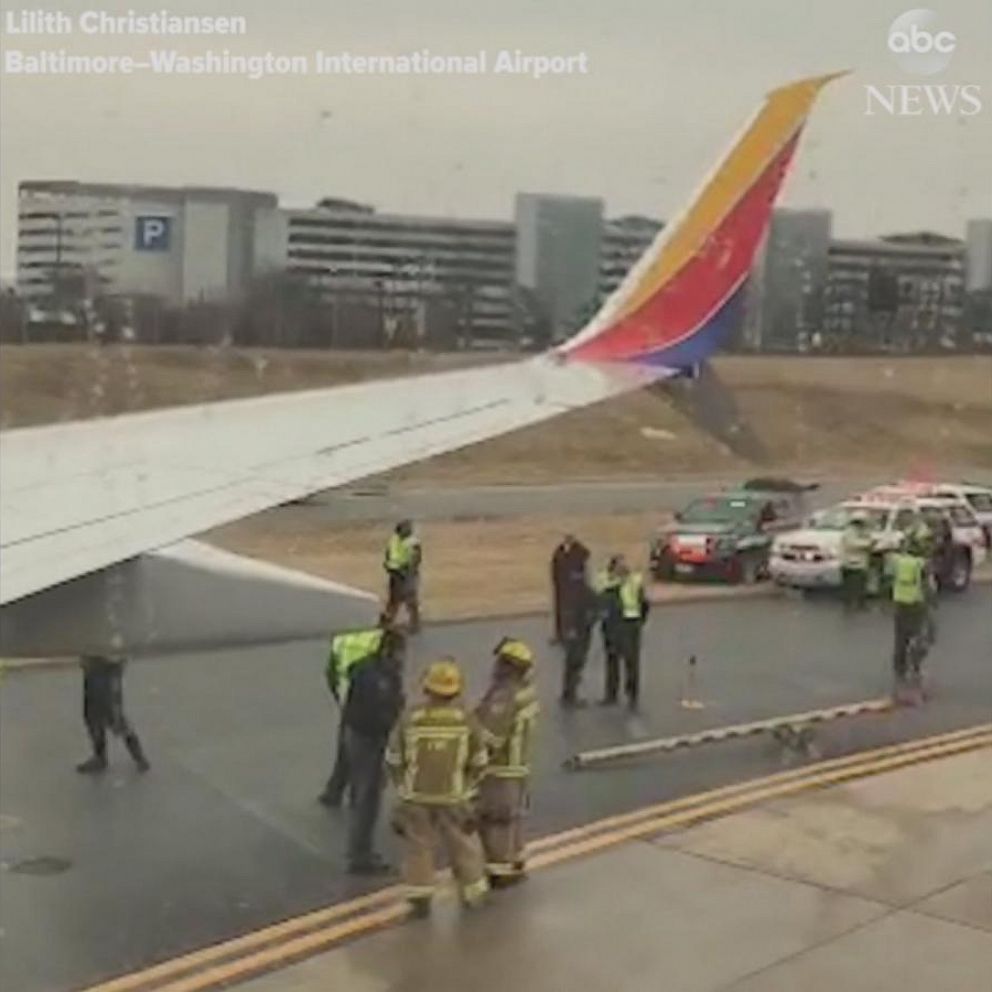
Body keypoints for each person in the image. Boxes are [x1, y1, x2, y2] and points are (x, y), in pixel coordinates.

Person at [386, 658, 489, 917]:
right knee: (463, 844)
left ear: (426, 689)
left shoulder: (410, 717)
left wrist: (403, 787)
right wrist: (468, 787)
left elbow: (393, 759)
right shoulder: (466, 719)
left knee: (419, 848)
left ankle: (420, 898)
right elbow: (479, 761)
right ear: (456, 690)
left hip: (416, 796)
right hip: (454, 795)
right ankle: (473, 892)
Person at [474, 639, 540, 886]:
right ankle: (515, 859)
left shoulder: (505, 696)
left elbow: (490, 736)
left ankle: (499, 871)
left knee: (495, 820)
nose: (495, 666)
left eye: (500, 661)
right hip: (519, 765)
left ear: (509, 666)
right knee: (513, 818)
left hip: (500, 769)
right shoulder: (527, 692)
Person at [341, 627, 406, 874]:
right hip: (369, 739)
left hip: (355, 733)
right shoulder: (380, 677)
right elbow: (381, 711)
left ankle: (359, 848)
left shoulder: (364, 667)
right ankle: (360, 856)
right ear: (391, 650)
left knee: (363, 791)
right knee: (367, 798)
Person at [319, 619, 391, 807]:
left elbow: (330, 672)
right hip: (372, 698)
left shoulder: (342, 637)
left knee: (346, 744)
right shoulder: (378, 638)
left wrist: (338, 696)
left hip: (347, 696)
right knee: (369, 752)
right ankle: (355, 795)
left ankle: (335, 790)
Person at [76, 655, 149, 774]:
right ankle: (100, 756)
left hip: (108, 666)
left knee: (113, 715)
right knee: (92, 715)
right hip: (95, 665)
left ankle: (138, 756)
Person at [610, 556, 650, 710]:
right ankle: (618, 692)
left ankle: (631, 691)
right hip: (622, 623)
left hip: (630, 623)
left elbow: (644, 603)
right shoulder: (615, 584)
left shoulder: (634, 582)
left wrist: (640, 620)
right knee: (620, 658)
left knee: (631, 659)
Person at [890, 535, 929, 689]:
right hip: (916, 603)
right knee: (919, 637)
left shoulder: (897, 562)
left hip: (899, 602)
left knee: (900, 638)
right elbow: (927, 584)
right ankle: (915, 667)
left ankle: (899, 669)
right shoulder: (921, 564)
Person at [559, 580, 597, 708]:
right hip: (580, 631)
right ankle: (571, 695)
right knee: (576, 662)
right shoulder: (583, 591)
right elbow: (595, 608)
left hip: (578, 630)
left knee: (572, 662)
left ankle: (568, 693)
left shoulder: (571, 591)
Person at [550, 534, 590, 645]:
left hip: (575, 587)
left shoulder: (578, 552)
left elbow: (586, 554)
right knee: (562, 611)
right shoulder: (559, 552)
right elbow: (555, 566)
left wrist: (576, 545)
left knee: (574, 610)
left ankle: (574, 633)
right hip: (562, 586)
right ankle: (561, 635)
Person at [383, 519, 422, 633]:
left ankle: (413, 622)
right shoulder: (398, 540)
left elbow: (416, 559)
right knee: (398, 598)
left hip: (401, 573)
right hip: (398, 573)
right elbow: (389, 553)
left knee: (405, 598)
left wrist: (407, 571)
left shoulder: (409, 542)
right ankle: (391, 621)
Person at [596, 556, 623, 705]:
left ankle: (629, 692)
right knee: (612, 660)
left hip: (625, 627)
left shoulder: (627, 583)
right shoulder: (606, 584)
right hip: (610, 627)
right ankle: (611, 693)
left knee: (628, 661)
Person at [840, 512, 872, 609]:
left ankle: (860, 604)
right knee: (851, 585)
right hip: (851, 563)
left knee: (861, 585)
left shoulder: (863, 531)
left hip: (861, 563)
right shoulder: (850, 532)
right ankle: (850, 603)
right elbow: (852, 544)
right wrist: (867, 544)